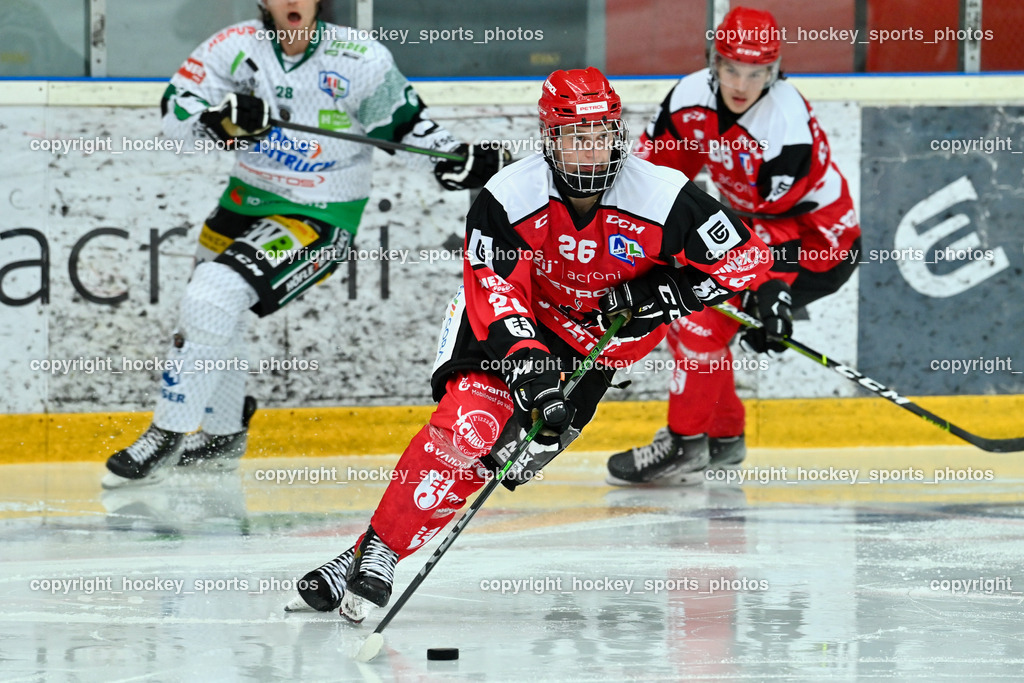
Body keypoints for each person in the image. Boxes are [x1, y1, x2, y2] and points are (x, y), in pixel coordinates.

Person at [286, 66, 773, 622]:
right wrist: (530, 370)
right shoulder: (509, 196)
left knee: (503, 459)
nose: (591, 153)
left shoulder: (662, 196)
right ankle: (381, 551)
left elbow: (747, 260)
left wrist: (666, 291)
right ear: (550, 139)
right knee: (471, 424)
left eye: (601, 136)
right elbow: (494, 292)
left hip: (592, 351)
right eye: (576, 138)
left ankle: (362, 553)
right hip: (509, 327)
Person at [102, 0, 508, 488]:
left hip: (321, 213)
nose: (293, 1)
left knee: (211, 295)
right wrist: (218, 118)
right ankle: (222, 433)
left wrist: (453, 160)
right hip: (242, 202)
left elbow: (405, 129)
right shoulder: (233, 48)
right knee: (209, 314)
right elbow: (175, 110)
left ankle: (166, 431)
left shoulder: (358, 59)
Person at [606, 6, 862, 485]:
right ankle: (722, 440)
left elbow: (780, 229)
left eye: (757, 72)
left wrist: (772, 290)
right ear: (713, 60)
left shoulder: (786, 130)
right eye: (730, 69)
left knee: (697, 322)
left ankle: (689, 443)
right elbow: (657, 179)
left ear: (774, 71)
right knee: (696, 318)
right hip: (750, 230)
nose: (741, 84)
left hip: (818, 247)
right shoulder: (687, 98)